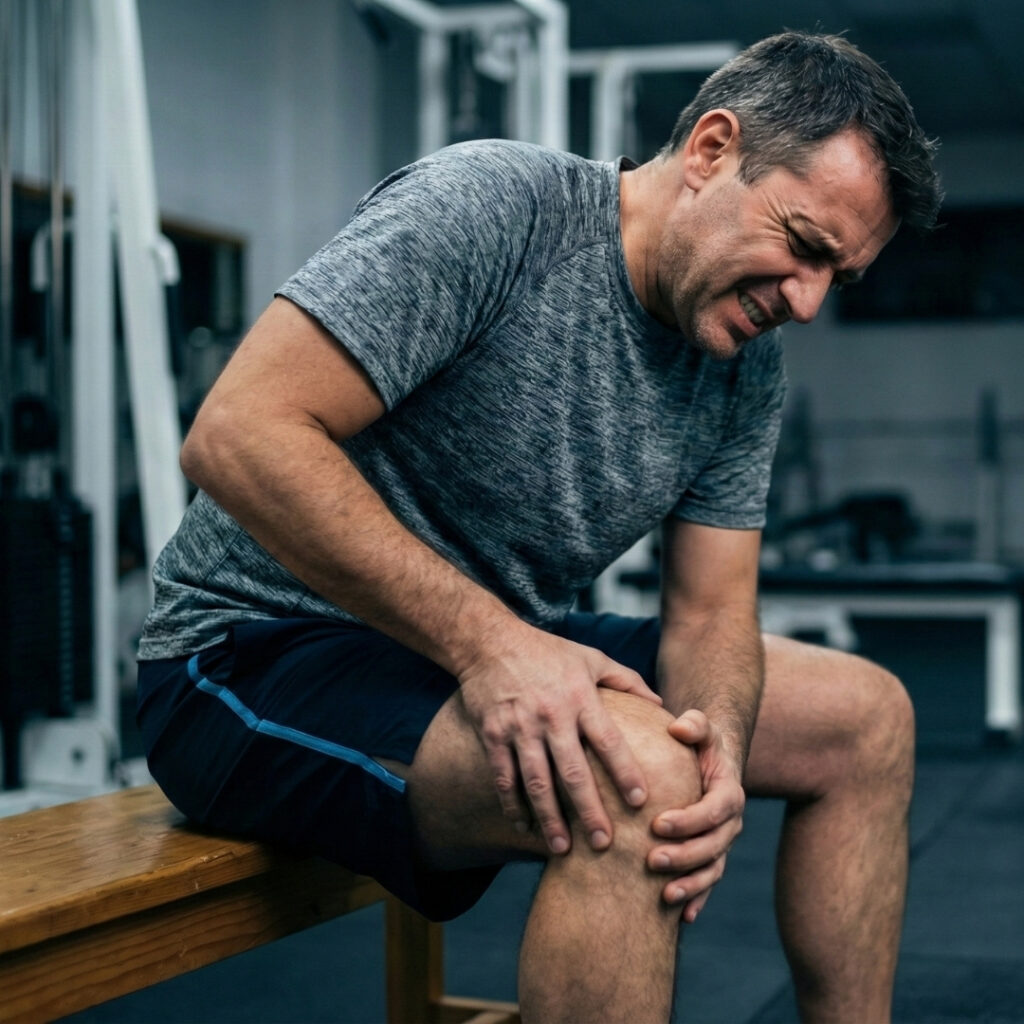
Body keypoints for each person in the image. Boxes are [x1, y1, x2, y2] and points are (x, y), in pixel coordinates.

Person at [137, 30, 942, 1024]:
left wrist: (721, 755)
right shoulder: (496, 209)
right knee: (638, 778)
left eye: (838, 278)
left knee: (865, 717)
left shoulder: (743, 366)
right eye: (805, 246)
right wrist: (495, 646)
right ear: (710, 149)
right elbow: (236, 434)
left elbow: (709, 612)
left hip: (485, 647)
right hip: (250, 653)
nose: (809, 303)